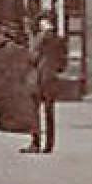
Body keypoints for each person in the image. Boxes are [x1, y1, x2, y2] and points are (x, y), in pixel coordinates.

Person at [24, 11, 67, 153]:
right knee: (49, 112)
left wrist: (30, 38)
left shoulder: (39, 38)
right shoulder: (58, 39)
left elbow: (32, 57)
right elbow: (63, 63)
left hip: (38, 77)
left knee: (33, 110)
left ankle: (35, 143)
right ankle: (49, 144)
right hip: (51, 78)